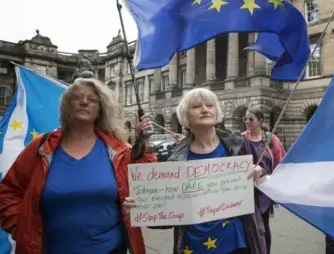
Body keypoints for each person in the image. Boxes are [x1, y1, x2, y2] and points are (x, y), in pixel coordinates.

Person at [0, 78, 157, 254]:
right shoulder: (41, 147)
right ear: (67, 105)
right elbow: (8, 191)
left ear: (100, 110)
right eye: (78, 97)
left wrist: (144, 143)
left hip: (111, 249)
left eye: (92, 99)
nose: (84, 102)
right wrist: (20, 227)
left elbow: (147, 186)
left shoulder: (118, 150)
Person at [124, 88, 268, 254]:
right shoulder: (177, 158)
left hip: (237, 244)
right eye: (197, 106)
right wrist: (141, 206)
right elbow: (168, 214)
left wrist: (259, 174)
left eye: (210, 105)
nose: (205, 109)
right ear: (186, 116)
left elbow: (263, 187)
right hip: (193, 245)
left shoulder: (238, 144)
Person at [241, 107, 286, 254]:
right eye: (245, 119)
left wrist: (277, 183)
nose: (247, 122)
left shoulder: (271, 139)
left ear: (260, 121)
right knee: (248, 226)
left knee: (263, 227)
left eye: (251, 119)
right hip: (246, 191)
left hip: (264, 191)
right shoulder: (241, 139)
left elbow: (281, 161)